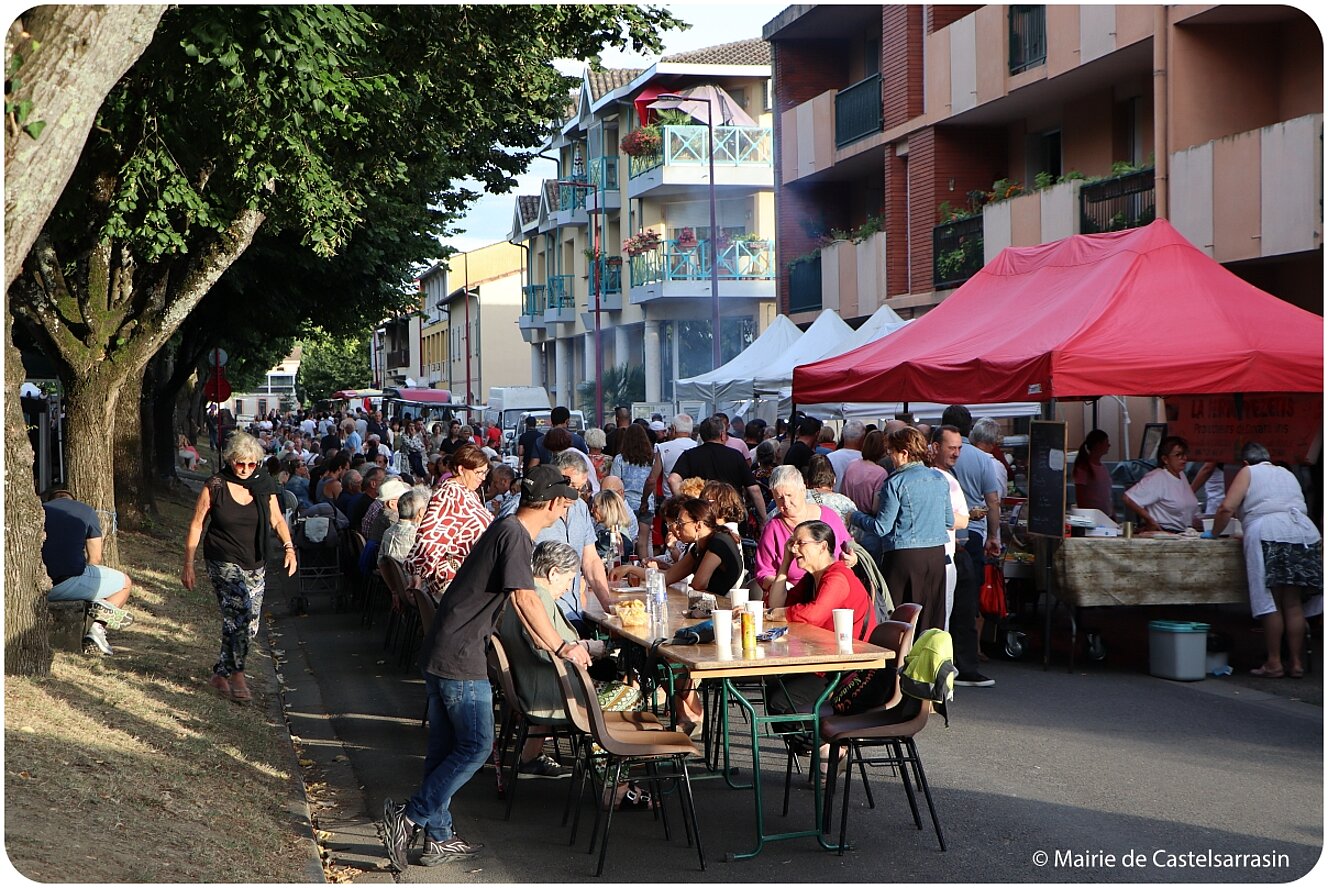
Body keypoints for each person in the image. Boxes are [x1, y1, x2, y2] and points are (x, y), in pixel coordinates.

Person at [380, 465, 590, 870]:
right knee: (475, 746)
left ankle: (437, 838)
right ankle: (409, 817)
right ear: (549, 502)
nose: (564, 513)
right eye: (563, 504)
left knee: (444, 750)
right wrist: (563, 645)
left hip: (446, 646)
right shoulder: (515, 535)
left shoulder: (506, 527)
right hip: (460, 653)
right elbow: (527, 599)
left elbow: (518, 599)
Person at [498, 541, 646, 795]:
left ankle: (608, 779)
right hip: (553, 692)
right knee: (630, 696)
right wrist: (587, 648)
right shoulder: (537, 599)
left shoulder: (523, 593)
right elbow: (546, 650)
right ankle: (614, 787)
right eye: (568, 580)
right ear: (553, 572)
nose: (569, 588)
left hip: (533, 684)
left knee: (618, 687)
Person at [183, 432, 297, 701]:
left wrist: (289, 547)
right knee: (240, 611)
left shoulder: (263, 483)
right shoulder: (216, 484)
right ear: (230, 460)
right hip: (222, 557)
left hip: (255, 561)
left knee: (248, 624)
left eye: (250, 464)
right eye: (239, 464)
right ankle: (238, 676)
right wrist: (188, 563)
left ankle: (220, 673)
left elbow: (277, 520)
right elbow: (197, 523)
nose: (244, 469)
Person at [1213, 442, 1323, 679]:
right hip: (1302, 532)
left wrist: (1213, 533)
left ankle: (1274, 662)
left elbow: (1226, 508)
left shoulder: (1248, 472)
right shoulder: (1285, 473)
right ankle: (1295, 663)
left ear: (1245, 462)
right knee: (1293, 602)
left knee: (1271, 600)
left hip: (1270, 533)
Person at [764, 519, 878, 720]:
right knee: (774, 683)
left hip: (848, 666)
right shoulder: (813, 578)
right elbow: (777, 603)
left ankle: (824, 744)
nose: (794, 547)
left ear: (823, 546)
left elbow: (813, 614)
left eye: (800, 542)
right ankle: (813, 744)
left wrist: (774, 613)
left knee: (779, 700)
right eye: (793, 542)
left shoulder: (837, 576)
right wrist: (784, 564)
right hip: (823, 659)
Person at [851, 427, 953, 635]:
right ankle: (926, 664)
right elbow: (948, 520)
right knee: (931, 618)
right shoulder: (939, 479)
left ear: (904, 453)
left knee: (898, 619)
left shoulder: (895, 482)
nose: (890, 456)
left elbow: (881, 527)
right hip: (935, 556)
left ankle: (897, 665)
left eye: (891, 452)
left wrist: (854, 516)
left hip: (903, 557)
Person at [940, 404, 999, 688]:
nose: (956, 453)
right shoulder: (982, 460)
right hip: (969, 537)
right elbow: (993, 501)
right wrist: (994, 535)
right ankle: (962, 660)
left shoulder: (937, 465)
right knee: (965, 603)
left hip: (950, 540)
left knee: (951, 604)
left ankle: (952, 661)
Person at [41, 488, 135, 656]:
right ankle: (98, 628)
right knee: (125, 584)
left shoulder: (38, 510)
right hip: (68, 581)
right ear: (73, 499)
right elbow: (95, 557)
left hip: (36, 584)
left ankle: (99, 605)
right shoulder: (86, 511)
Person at [406, 445, 493, 601]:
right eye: (479, 472)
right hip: (454, 579)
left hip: (469, 574)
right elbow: (431, 535)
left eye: (485, 472)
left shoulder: (468, 492)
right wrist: (418, 570)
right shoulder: (449, 494)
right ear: (461, 469)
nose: (483, 477)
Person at [755, 465, 852, 595]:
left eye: (790, 495)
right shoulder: (773, 528)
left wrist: (852, 559)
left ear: (803, 490)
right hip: (793, 598)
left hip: (834, 591)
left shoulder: (829, 516)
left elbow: (850, 548)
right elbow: (763, 574)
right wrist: (783, 586)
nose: (786, 503)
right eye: (779, 498)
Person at [668, 417, 767, 529]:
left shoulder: (689, 455)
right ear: (722, 435)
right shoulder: (736, 456)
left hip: (702, 515)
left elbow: (673, 480)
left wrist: (688, 505)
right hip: (731, 515)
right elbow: (754, 489)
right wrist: (763, 519)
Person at [1124, 435, 1202, 533]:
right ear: (1165, 459)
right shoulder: (1157, 477)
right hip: (1163, 533)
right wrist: (1150, 520)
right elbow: (1128, 498)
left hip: (1184, 533)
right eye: (1178, 455)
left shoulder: (1181, 475)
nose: (1184, 458)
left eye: (1185, 454)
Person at [609, 422, 654, 515]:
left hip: (626, 505)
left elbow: (614, 482)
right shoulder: (651, 459)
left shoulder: (619, 459)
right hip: (647, 503)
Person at [804, 455, 857, 529]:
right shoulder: (845, 502)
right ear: (834, 480)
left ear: (807, 482)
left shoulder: (799, 499)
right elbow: (855, 532)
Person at [380, 486, 429, 566]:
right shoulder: (418, 535)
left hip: (390, 578)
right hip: (411, 577)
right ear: (421, 512)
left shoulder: (388, 532)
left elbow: (380, 562)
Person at [842, 429, 888, 513]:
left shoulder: (851, 465)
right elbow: (876, 507)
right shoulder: (881, 473)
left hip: (848, 514)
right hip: (866, 519)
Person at [1072, 429, 1114, 518]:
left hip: (1105, 516)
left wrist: (1112, 512)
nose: (1109, 445)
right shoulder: (1083, 468)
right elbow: (1080, 497)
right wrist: (1085, 517)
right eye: (1106, 442)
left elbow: (1107, 495)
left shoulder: (1103, 468)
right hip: (1091, 518)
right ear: (1098, 445)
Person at [826, 420, 865, 492]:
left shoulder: (829, 457)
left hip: (833, 499)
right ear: (863, 438)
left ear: (843, 436)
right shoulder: (865, 460)